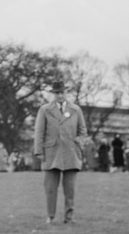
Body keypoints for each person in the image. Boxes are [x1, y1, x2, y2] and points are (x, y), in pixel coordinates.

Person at [34, 81, 87, 224]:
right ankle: (50, 216)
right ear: (53, 94)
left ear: (66, 93)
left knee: (70, 189)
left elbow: (82, 131)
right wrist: (39, 151)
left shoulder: (76, 109)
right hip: (51, 153)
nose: (60, 95)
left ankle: (69, 218)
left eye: (62, 92)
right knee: (50, 189)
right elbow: (39, 132)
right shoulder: (45, 110)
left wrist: (79, 141)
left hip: (71, 152)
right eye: (57, 93)